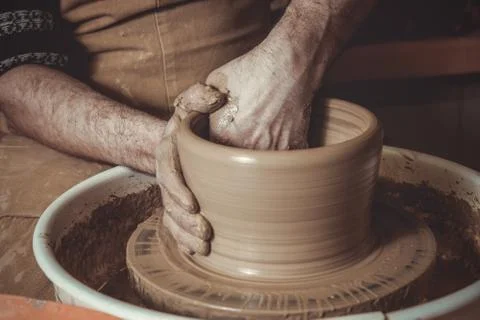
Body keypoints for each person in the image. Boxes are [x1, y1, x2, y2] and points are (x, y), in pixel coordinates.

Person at [0, 0, 376, 289]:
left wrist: (294, 55)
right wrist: (173, 147)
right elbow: (15, 75)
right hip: (83, 127)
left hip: (265, 96)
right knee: (84, 255)